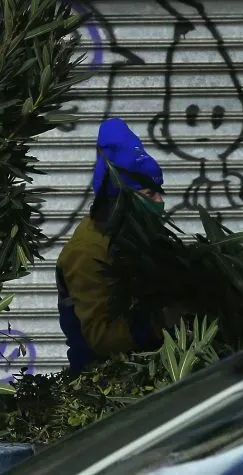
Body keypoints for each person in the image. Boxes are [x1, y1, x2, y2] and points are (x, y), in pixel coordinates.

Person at [56, 117, 176, 373]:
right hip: (102, 378)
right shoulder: (87, 251)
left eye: (159, 191)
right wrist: (162, 322)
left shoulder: (139, 233)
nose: (160, 200)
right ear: (121, 200)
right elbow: (100, 338)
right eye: (150, 194)